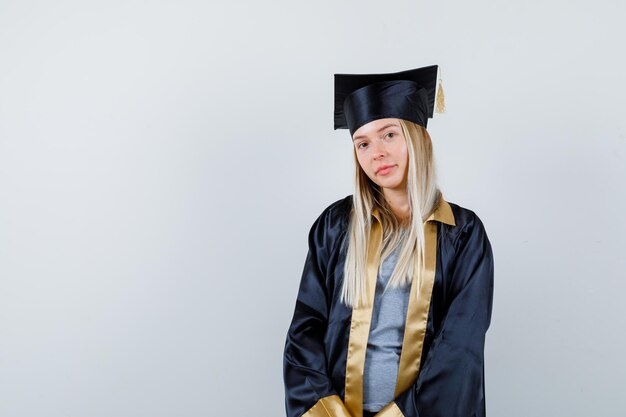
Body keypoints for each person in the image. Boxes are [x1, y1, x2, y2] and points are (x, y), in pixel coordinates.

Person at [283, 65, 494, 417]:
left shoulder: (462, 234)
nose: (376, 152)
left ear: (418, 138)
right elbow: (304, 331)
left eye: (389, 135)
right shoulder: (336, 227)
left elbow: (459, 349)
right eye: (362, 143)